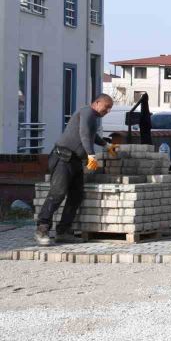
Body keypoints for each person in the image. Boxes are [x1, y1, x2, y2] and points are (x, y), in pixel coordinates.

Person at [35, 94, 118, 246]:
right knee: (58, 193)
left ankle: (63, 232)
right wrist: (91, 156)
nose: (108, 111)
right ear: (97, 103)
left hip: (75, 161)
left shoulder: (93, 118)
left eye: (110, 108)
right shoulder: (87, 111)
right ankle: (42, 228)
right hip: (62, 158)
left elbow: (92, 136)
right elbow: (84, 134)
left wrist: (106, 145)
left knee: (76, 196)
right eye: (107, 107)